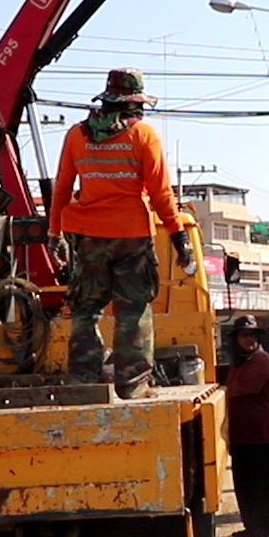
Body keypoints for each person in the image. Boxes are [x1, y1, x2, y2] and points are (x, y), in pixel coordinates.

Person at [47, 67, 196, 400]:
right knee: (133, 310)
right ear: (134, 102)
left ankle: (83, 380)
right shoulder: (143, 135)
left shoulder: (76, 135)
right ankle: (134, 384)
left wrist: (54, 232)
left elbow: (62, 189)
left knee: (86, 309)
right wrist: (179, 237)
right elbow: (161, 195)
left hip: (87, 236)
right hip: (131, 235)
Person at [224, 315, 269, 537]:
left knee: (263, 487)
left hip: (261, 436)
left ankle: (266, 529)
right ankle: (252, 526)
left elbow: (240, 388)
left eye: (253, 335)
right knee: (245, 486)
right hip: (241, 436)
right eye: (244, 335)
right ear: (236, 338)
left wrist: (221, 390)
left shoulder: (261, 360)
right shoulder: (238, 362)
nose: (249, 339)